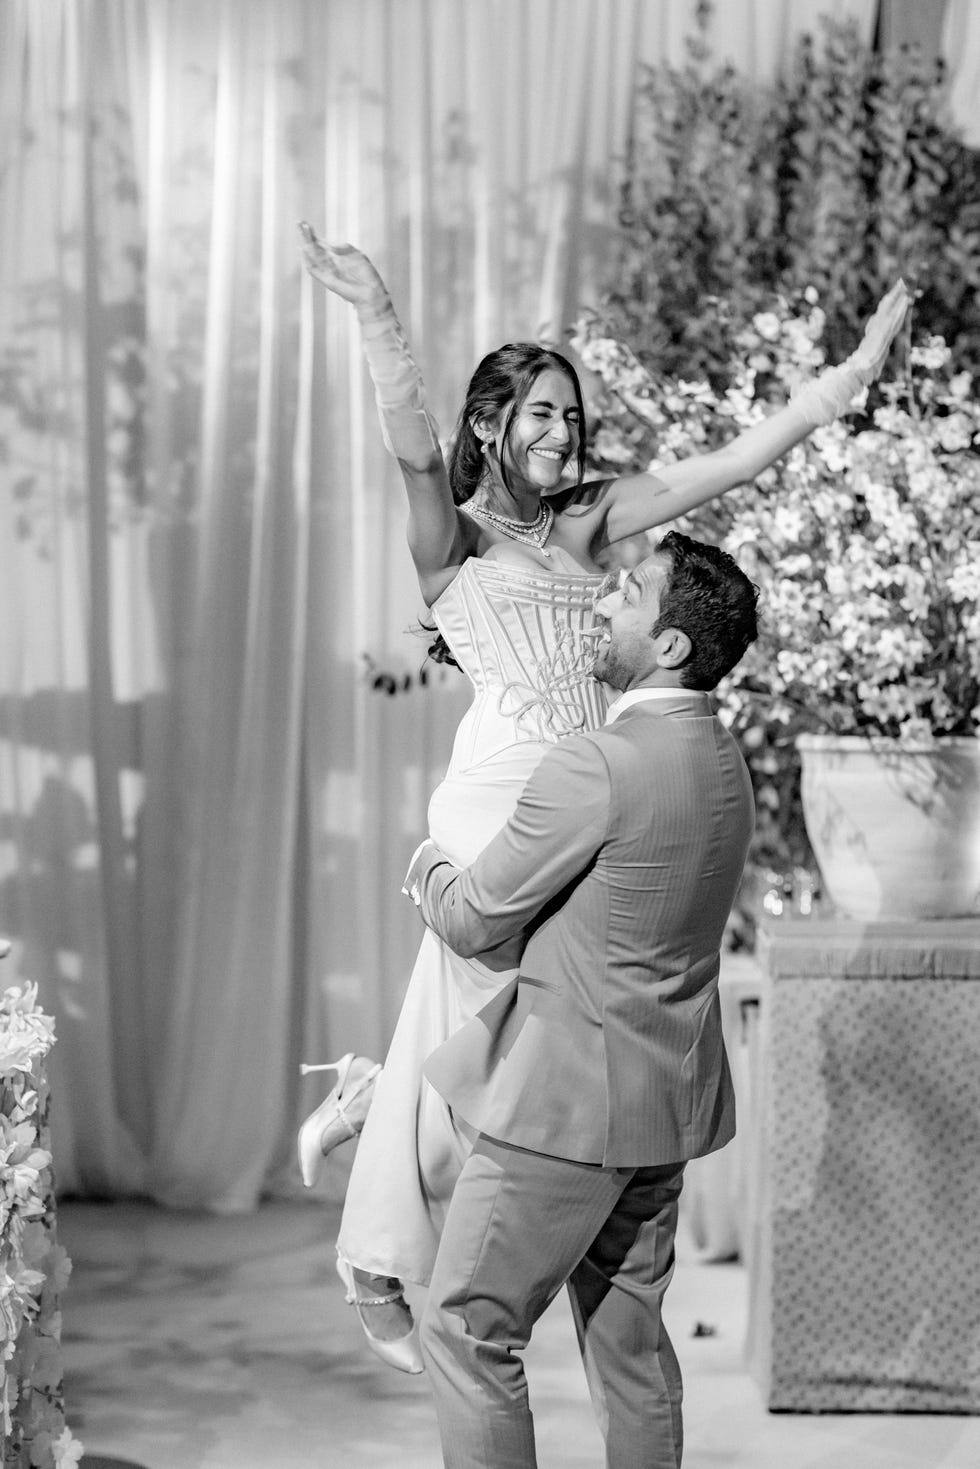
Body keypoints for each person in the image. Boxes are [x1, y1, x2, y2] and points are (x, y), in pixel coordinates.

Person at [295, 222, 910, 1373]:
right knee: (494, 999)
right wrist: (378, 321)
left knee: (516, 1029)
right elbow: (414, 455)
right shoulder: (452, 540)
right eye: (538, 410)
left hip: (594, 787)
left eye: (571, 414)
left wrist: (844, 384)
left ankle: (383, 1118)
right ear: (490, 423)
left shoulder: (593, 518)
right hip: (495, 792)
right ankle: (383, 1233)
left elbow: (730, 462)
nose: (562, 429)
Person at [403, 532, 758, 1466]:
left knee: (467, 1329)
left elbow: (477, 916)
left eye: (629, 592)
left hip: (565, 1110)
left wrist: (428, 855)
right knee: (629, 1346)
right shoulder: (727, 762)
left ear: (672, 643)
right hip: (666, 1104)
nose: (601, 598)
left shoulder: (597, 762)